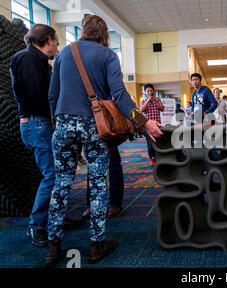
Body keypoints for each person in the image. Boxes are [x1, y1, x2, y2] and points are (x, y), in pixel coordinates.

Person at [46, 15, 163, 265]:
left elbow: (53, 94)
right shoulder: (108, 56)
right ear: (104, 34)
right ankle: (96, 245)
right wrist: (142, 122)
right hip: (93, 126)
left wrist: (59, 126)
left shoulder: (64, 53)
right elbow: (119, 94)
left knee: (61, 184)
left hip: (64, 124)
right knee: (98, 184)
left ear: (83, 31)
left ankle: (53, 246)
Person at [10, 24, 82, 248]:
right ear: (47, 40)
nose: (57, 45)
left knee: (58, 173)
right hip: (37, 124)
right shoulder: (28, 59)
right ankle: (37, 225)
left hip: (40, 123)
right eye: (56, 41)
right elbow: (37, 95)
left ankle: (54, 218)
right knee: (52, 175)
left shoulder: (36, 61)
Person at [140, 83, 164, 166]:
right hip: (147, 127)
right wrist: (148, 101)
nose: (149, 92)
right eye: (148, 91)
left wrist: (157, 102)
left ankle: (160, 157)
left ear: (153, 91)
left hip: (157, 125)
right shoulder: (143, 101)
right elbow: (141, 110)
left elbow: (162, 109)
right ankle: (152, 158)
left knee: (159, 141)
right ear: (145, 92)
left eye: (151, 90)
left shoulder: (157, 99)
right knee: (150, 143)